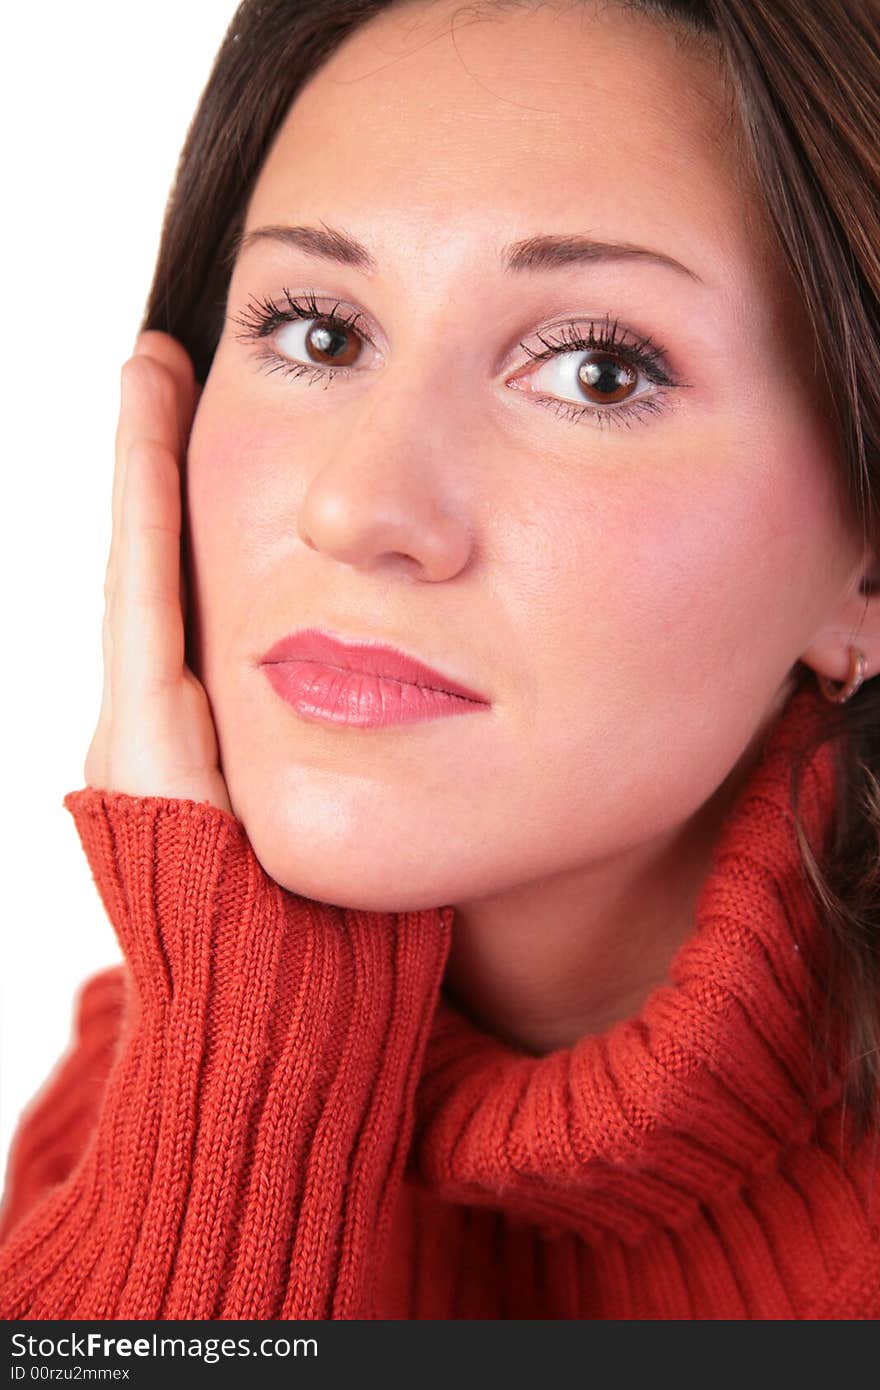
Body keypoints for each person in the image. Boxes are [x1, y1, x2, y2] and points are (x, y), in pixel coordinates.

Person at [0, 0, 879, 1320]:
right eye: (320, 332)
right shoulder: (133, 1114)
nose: (359, 507)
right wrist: (235, 1080)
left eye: (595, 369)